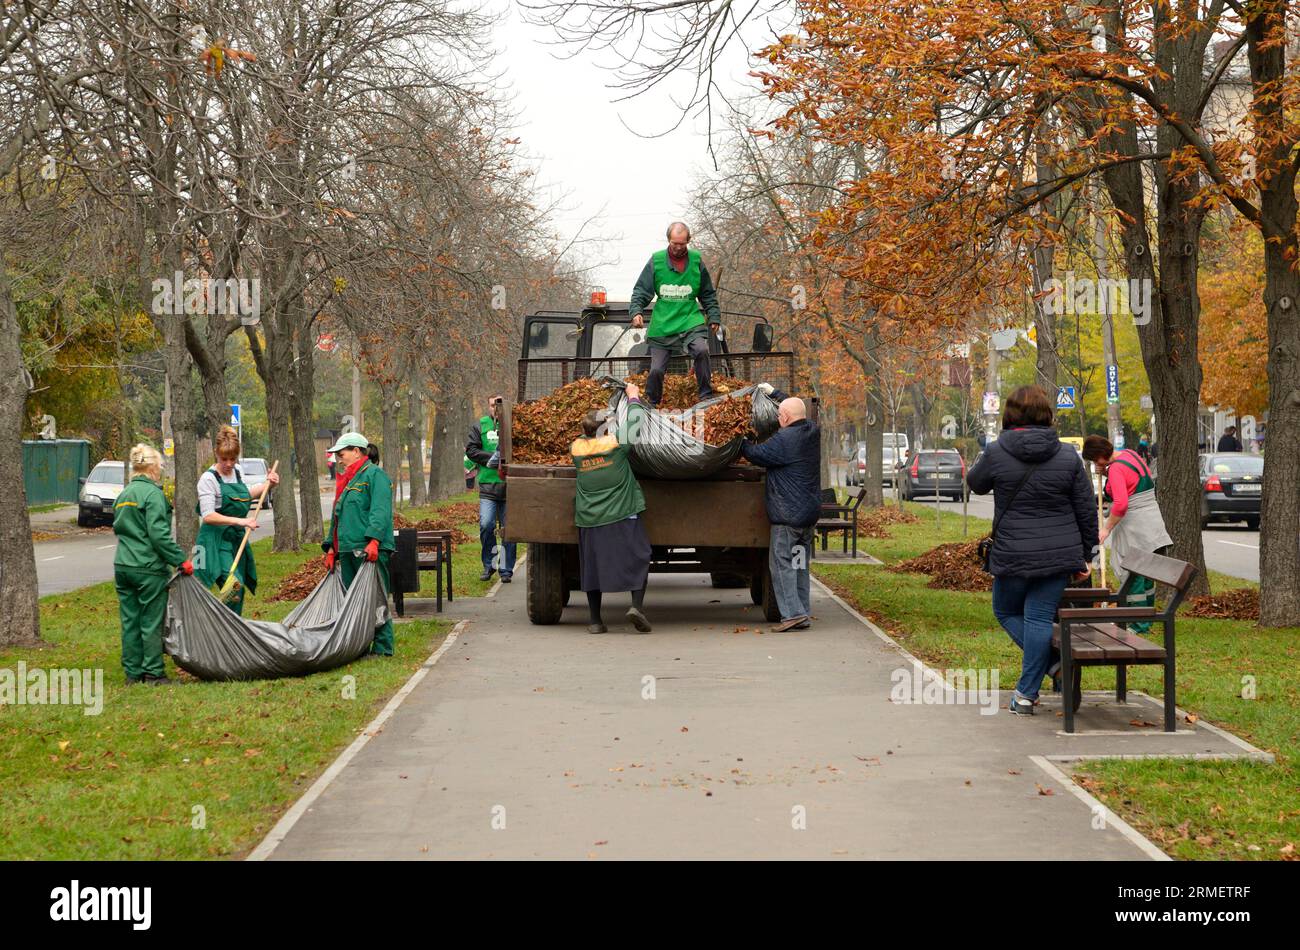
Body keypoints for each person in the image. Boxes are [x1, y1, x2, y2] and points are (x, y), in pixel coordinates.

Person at [967, 386, 1098, 715]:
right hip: (1058, 556)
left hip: (1013, 554)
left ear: (1010, 414)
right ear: (1047, 415)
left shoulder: (997, 452)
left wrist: (987, 453)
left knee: (1006, 611)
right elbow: (1086, 509)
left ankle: (1049, 671)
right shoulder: (1068, 455)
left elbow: (975, 483)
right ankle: (1032, 687)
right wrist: (1088, 555)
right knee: (1039, 618)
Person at [572, 382, 653, 634]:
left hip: (590, 519)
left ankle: (595, 621)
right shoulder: (616, 446)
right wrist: (634, 397)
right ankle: (636, 607)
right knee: (639, 557)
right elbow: (636, 421)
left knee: (592, 567)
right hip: (622, 515)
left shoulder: (576, 449)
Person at [739, 387, 821, 632]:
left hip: (788, 518)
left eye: (778, 417)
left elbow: (754, 453)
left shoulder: (784, 441)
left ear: (784, 419)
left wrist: (738, 438)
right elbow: (796, 409)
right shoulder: (812, 432)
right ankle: (802, 610)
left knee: (782, 564)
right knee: (798, 564)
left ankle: (792, 615)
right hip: (806, 517)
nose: (777, 420)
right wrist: (777, 394)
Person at [113, 444, 192, 686]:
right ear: (152, 467)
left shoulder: (124, 495)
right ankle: (153, 673)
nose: (160, 470)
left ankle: (133, 673)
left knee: (130, 620)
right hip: (148, 568)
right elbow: (158, 534)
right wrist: (180, 560)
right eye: (159, 466)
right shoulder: (153, 495)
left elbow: (119, 528)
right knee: (150, 621)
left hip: (123, 566)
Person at [1082, 435, 1173, 634]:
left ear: (1099, 456)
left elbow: (1121, 504)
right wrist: (1106, 473)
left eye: (1094, 459)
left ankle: (1137, 623)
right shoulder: (1130, 454)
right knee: (1147, 573)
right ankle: (1146, 618)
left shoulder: (1115, 469)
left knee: (1133, 574)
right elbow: (1136, 479)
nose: (1095, 464)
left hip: (1136, 527)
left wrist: (1106, 528)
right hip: (1152, 522)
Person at [628, 221, 722, 408]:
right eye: (674, 243)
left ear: (688, 240)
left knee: (702, 350)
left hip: (689, 319)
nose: (678, 248)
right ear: (668, 240)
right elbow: (641, 290)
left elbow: (707, 293)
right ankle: (651, 402)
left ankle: (705, 394)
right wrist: (636, 311)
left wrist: (713, 315)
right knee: (655, 370)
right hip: (663, 324)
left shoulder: (696, 261)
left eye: (682, 244)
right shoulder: (656, 261)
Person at [321, 432, 396, 656]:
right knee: (352, 602)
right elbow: (338, 515)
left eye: (341, 454)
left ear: (356, 451)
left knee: (375, 598)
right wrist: (331, 547)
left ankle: (383, 647)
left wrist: (374, 540)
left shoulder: (375, 475)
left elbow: (380, 511)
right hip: (346, 549)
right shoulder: (348, 479)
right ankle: (359, 645)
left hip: (368, 550)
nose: (338, 459)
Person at [193, 425, 279, 615]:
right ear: (216, 453)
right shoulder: (208, 479)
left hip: (235, 540)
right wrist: (241, 521)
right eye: (224, 459)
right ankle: (220, 624)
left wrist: (268, 485)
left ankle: (228, 626)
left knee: (236, 590)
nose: (229, 463)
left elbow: (246, 495)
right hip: (215, 541)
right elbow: (208, 516)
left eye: (233, 458)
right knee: (234, 585)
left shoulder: (237, 471)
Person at [466, 395, 517, 583]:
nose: (495, 408)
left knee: (508, 529)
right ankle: (489, 565)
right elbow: (471, 451)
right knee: (486, 525)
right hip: (488, 486)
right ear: (488, 407)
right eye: (492, 405)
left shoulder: (512, 425)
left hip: (510, 487)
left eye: (498, 405)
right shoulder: (480, 425)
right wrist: (494, 458)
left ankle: (506, 569)